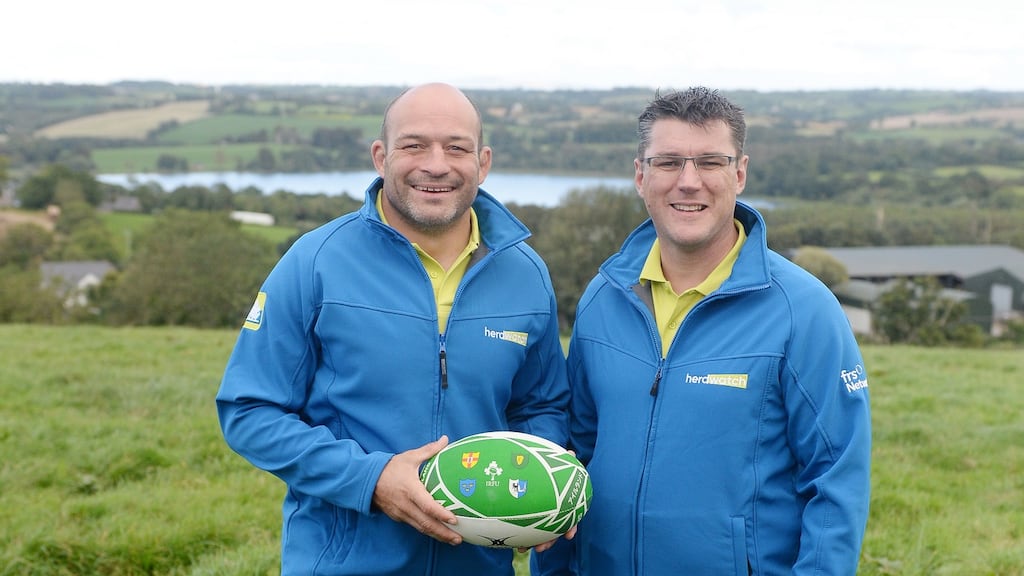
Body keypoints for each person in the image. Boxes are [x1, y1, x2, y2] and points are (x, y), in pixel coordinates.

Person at [216, 82, 569, 575]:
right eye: (414, 145)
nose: (437, 164)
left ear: (483, 162)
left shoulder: (525, 273)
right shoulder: (315, 262)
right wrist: (371, 479)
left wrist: (547, 485)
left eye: (456, 148)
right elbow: (249, 410)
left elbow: (541, 404)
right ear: (381, 157)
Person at [532, 87, 871, 575]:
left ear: (739, 173)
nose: (688, 182)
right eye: (668, 162)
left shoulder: (803, 310)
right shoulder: (603, 299)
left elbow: (837, 481)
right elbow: (575, 457)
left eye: (710, 162)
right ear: (640, 175)